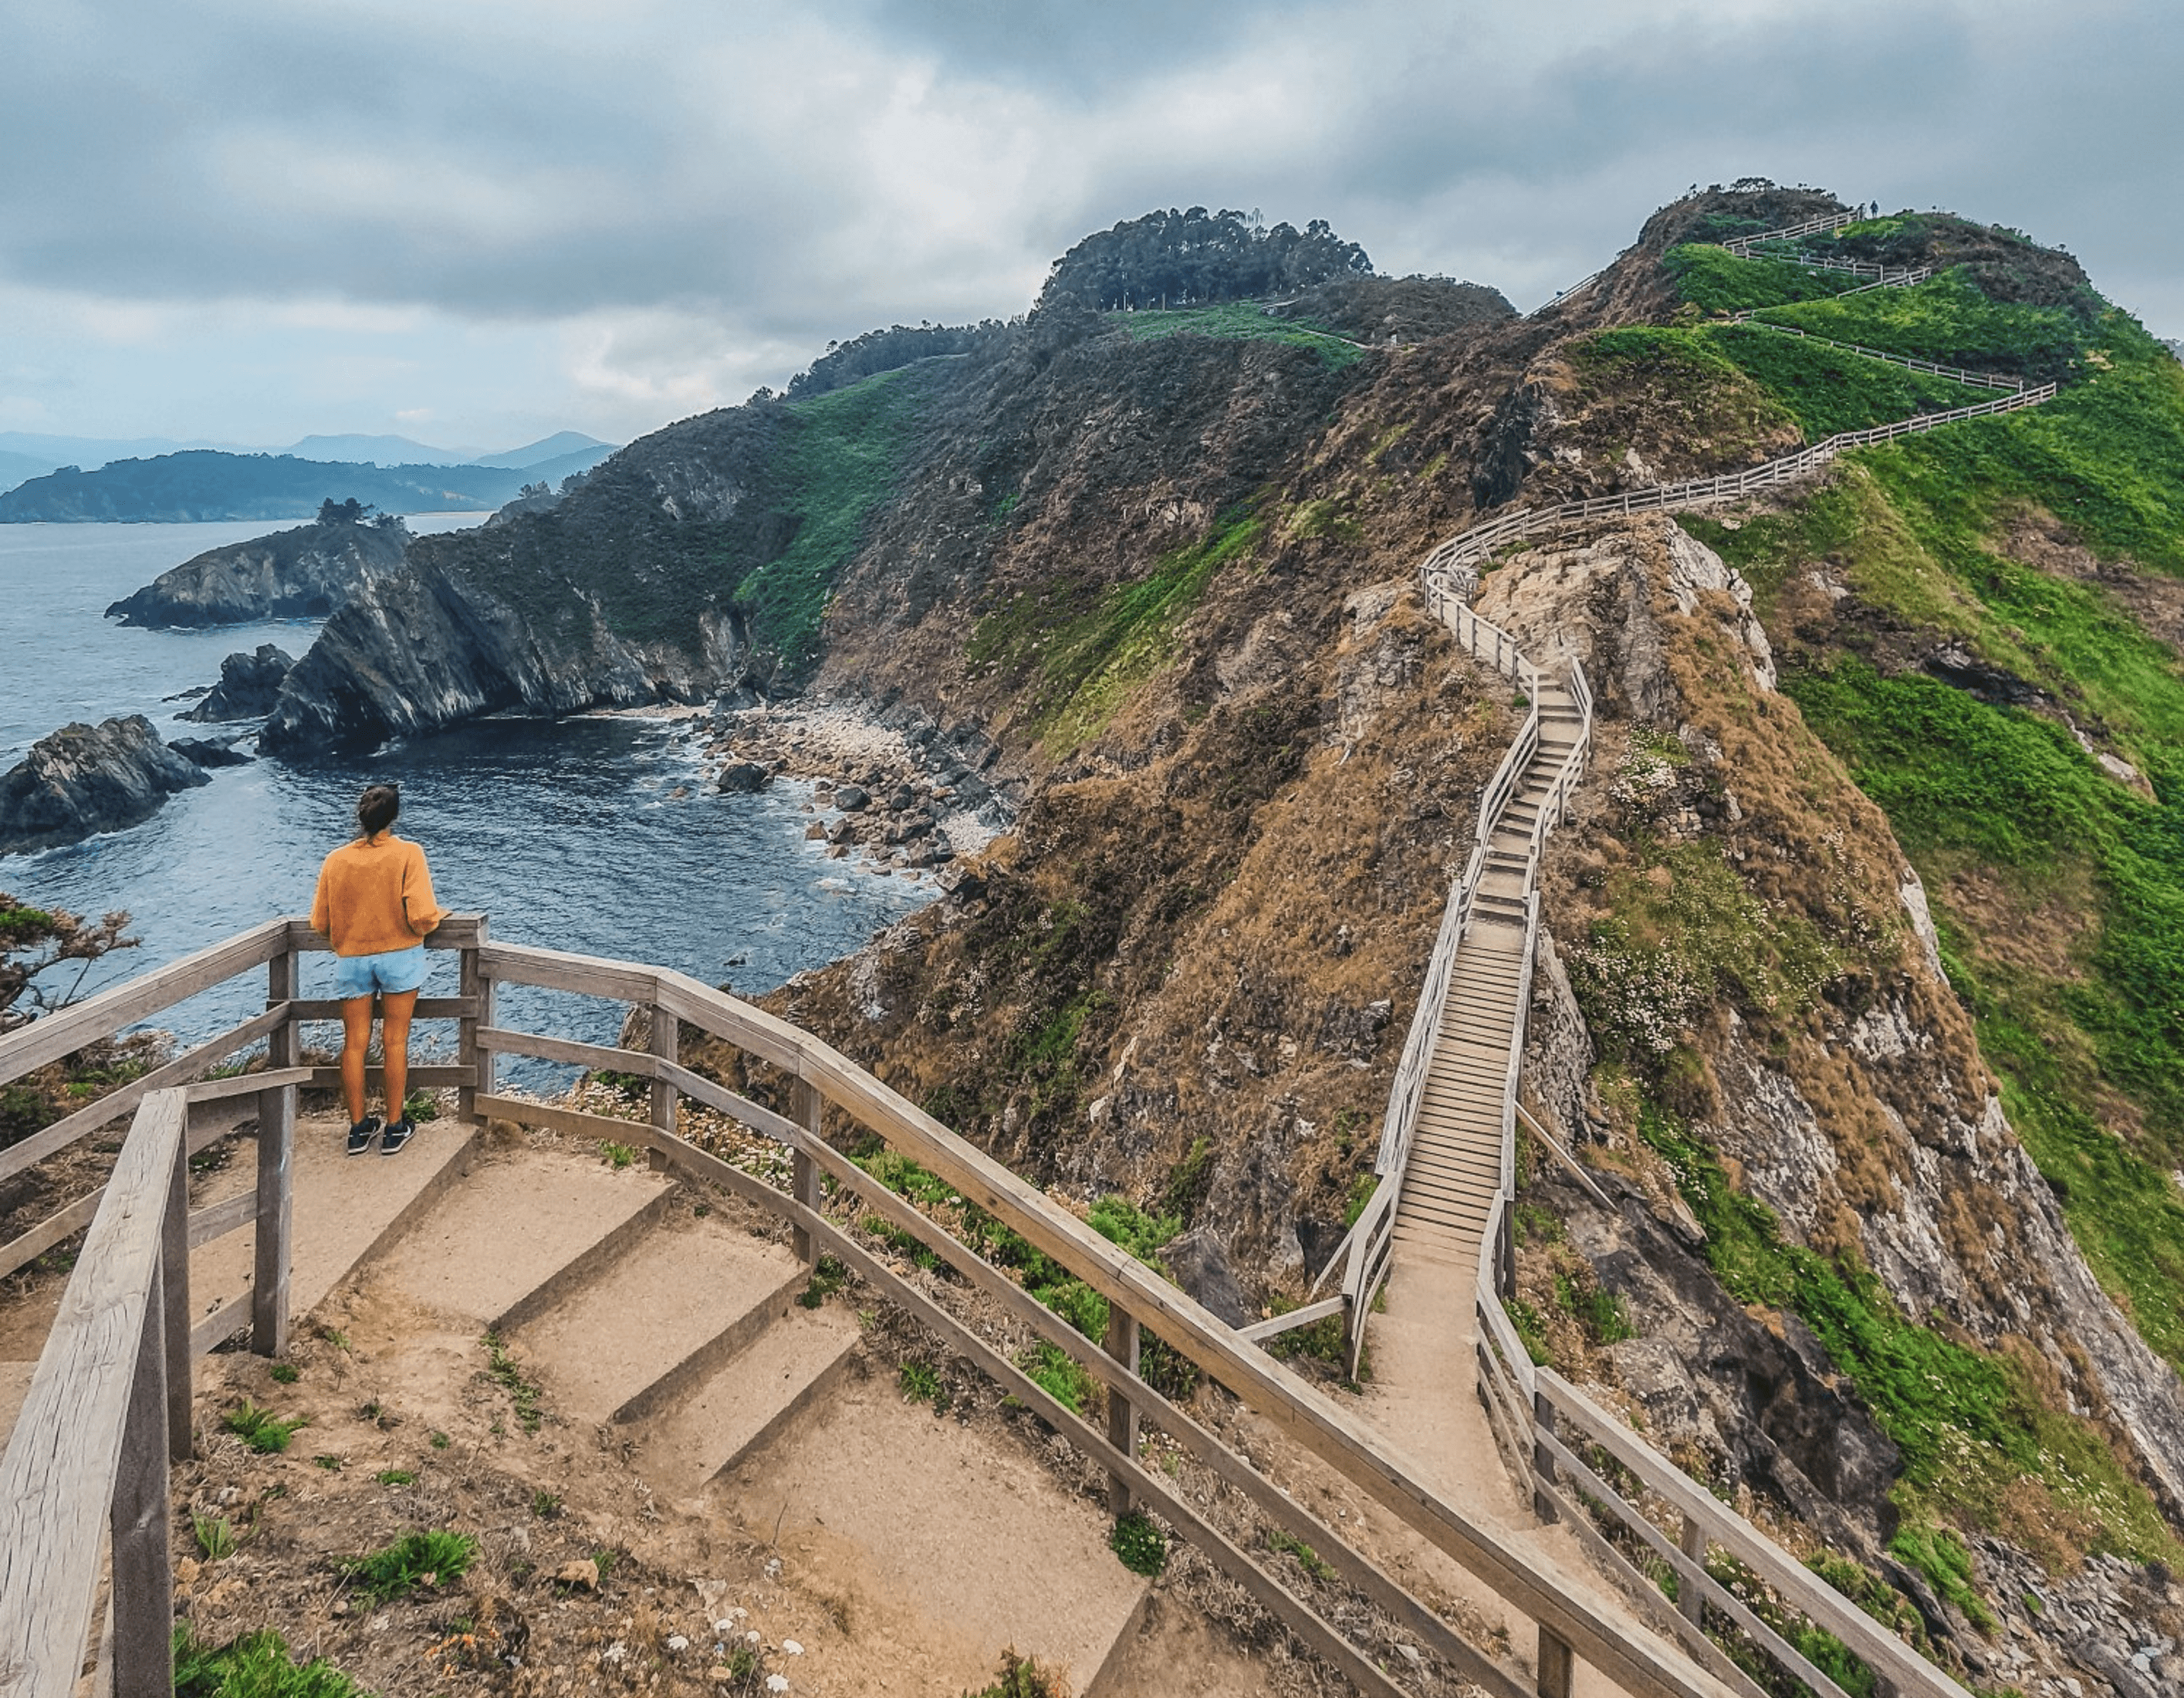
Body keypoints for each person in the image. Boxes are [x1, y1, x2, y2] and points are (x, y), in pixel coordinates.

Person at [311, 783, 447, 1155]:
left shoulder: (335, 860)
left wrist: (351, 936)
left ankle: (357, 1130)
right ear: (395, 817)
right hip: (399, 956)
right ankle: (394, 1127)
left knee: (354, 1043)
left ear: (360, 817)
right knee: (395, 1041)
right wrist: (436, 918)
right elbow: (420, 916)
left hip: (352, 959)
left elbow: (320, 923)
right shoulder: (408, 854)